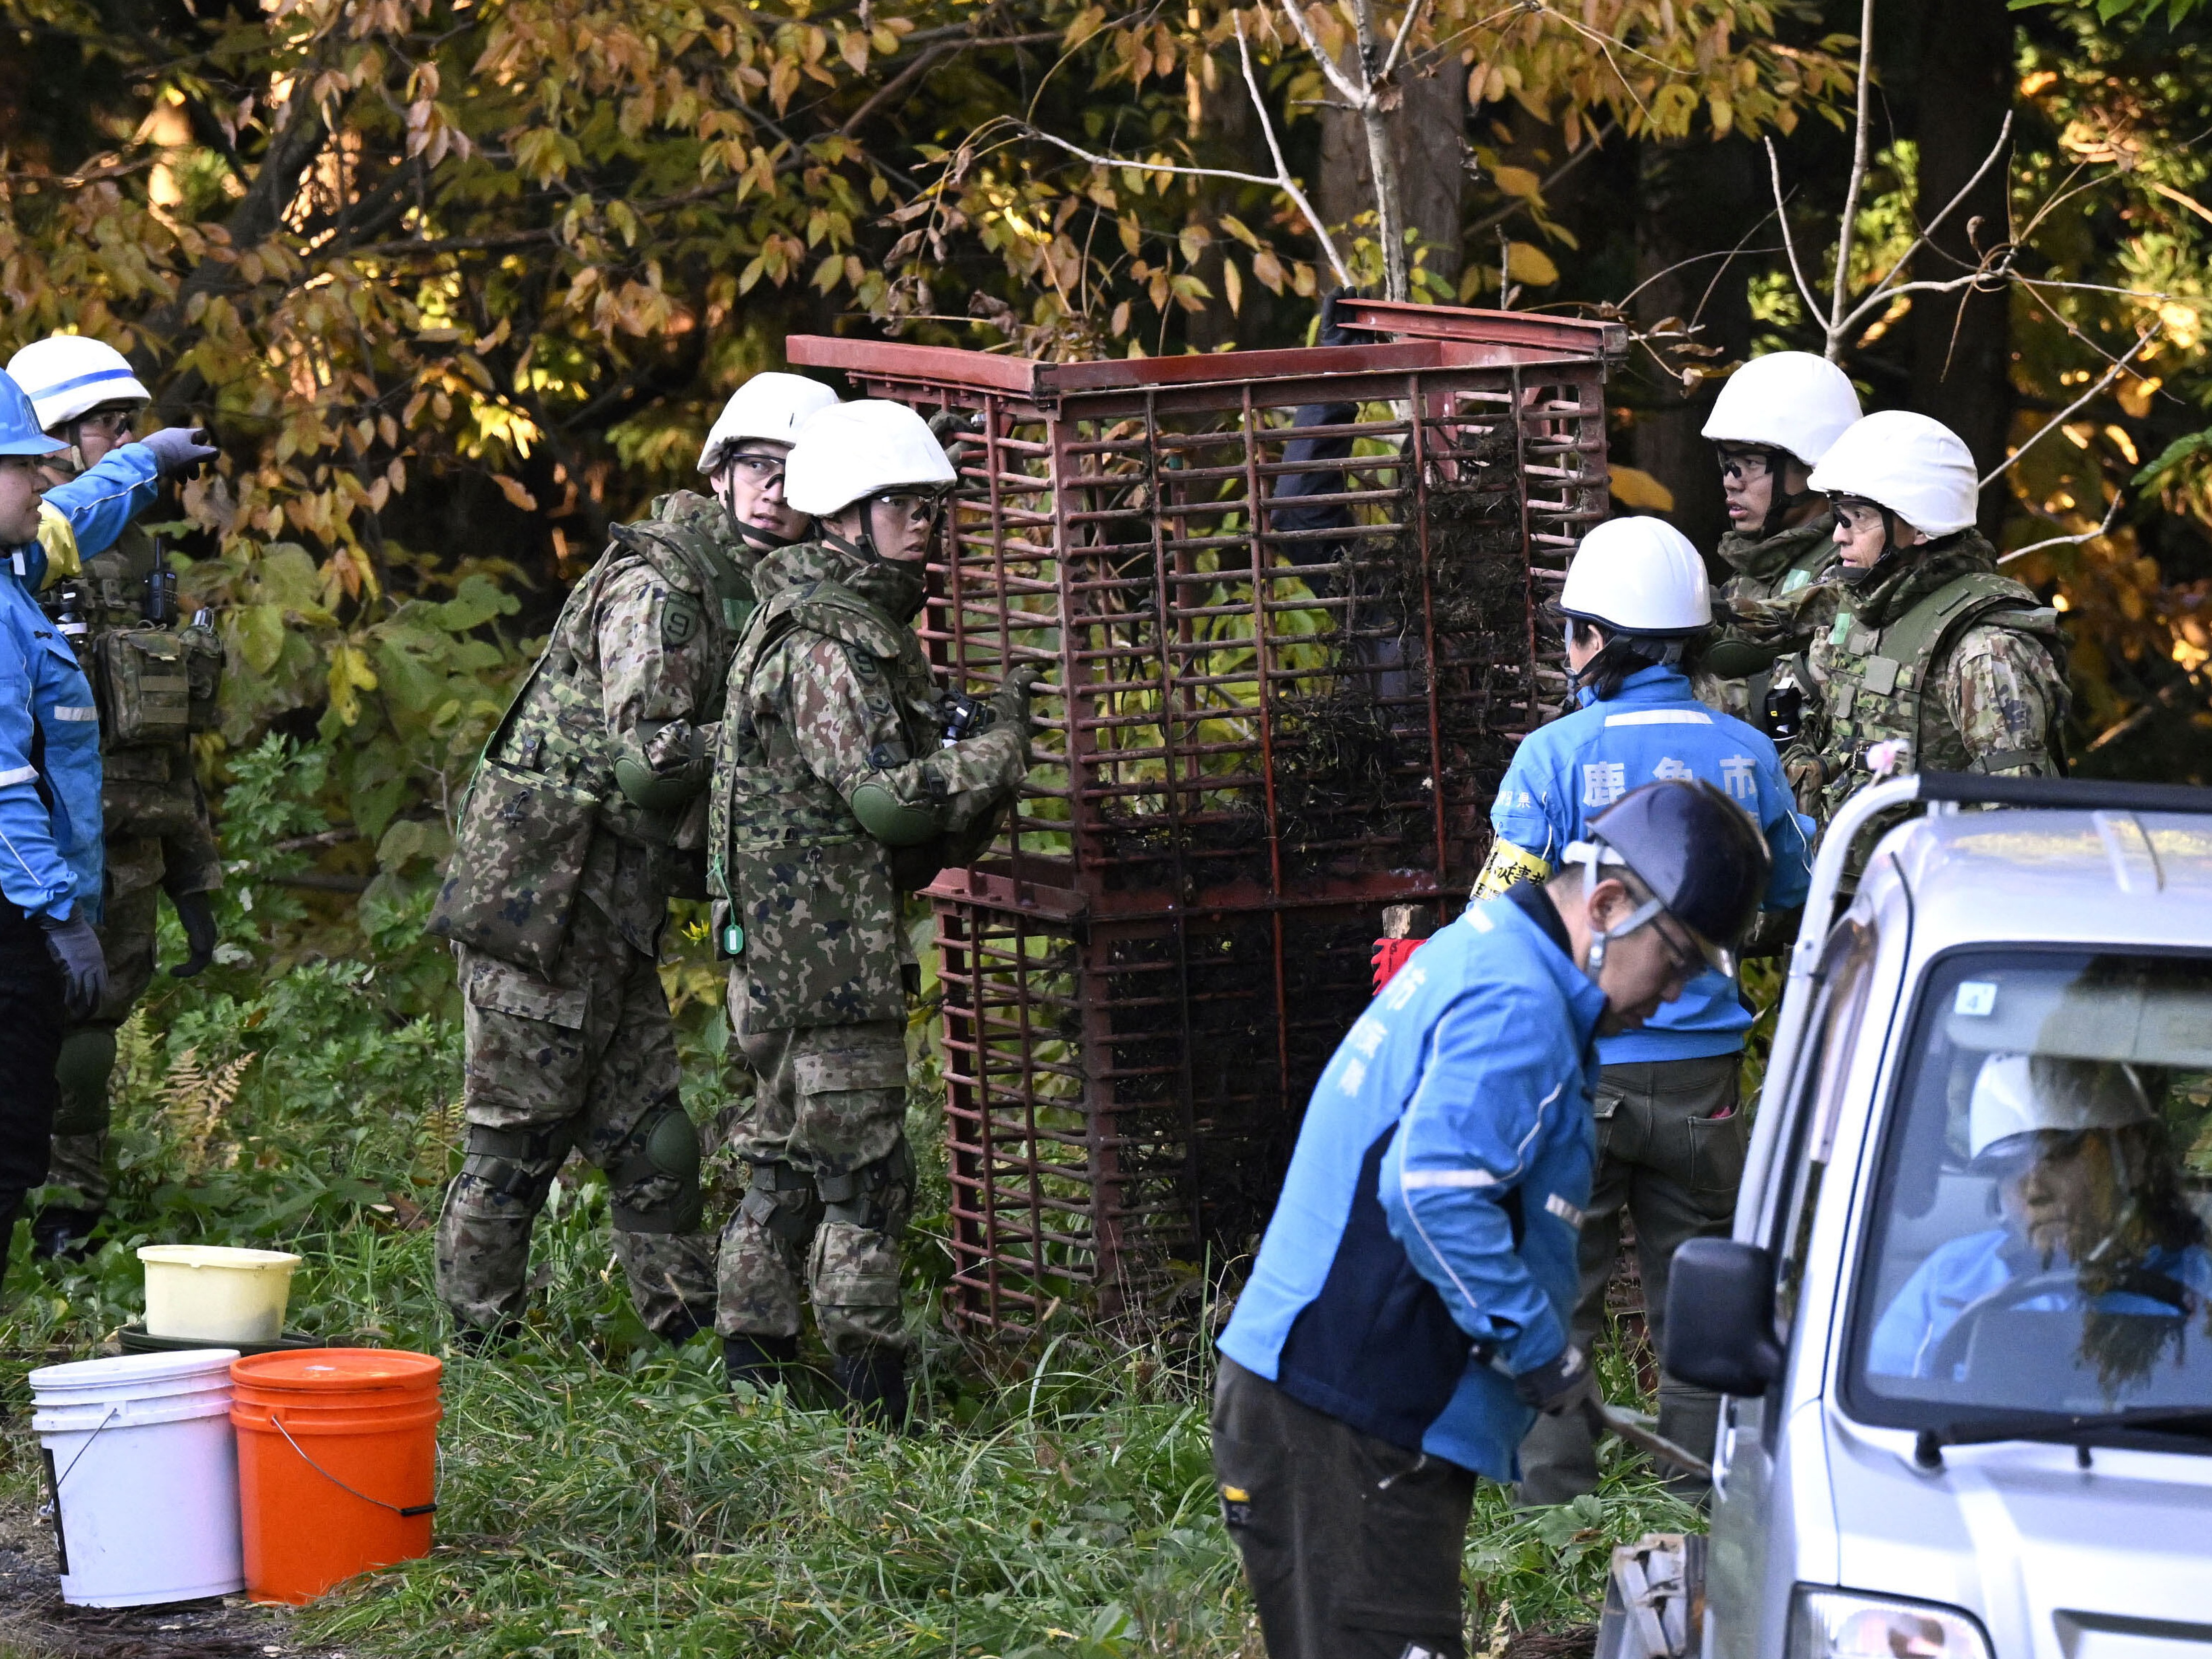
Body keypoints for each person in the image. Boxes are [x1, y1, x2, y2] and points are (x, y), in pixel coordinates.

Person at [1213, 779, 1770, 1659]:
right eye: (1673, 962)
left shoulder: (1491, 951)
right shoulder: (1518, 1000)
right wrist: (1537, 1346)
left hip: (1336, 1403)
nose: (1670, 997)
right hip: (1348, 1414)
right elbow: (1433, 1191)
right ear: (1609, 903)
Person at [426, 369, 836, 1351]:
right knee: (515, 1143)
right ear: (723, 472)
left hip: (611, 902)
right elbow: (648, 762)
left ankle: (685, 1339)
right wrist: (773, 736)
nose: (773, 490)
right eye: (757, 467)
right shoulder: (668, 583)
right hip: (546, 895)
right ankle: (476, 1355)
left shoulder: (754, 585)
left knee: (653, 1138)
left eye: (795, 473)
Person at [1465, 516, 1814, 1505]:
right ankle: (1698, 1495)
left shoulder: (1549, 755)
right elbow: (1787, 898)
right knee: (1698, 1294)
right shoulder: (1748, 753)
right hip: (1704, 1081)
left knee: (1556, 1285)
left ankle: (1553, 1503)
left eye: (1574, 630)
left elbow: (1499, 913)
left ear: (1604, 640)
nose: (1566, 650)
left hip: (1582, 1073)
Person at [708, 399, 1038, 1425]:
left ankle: (757, 1382)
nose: (922, 526)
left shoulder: (824, 620)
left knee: (782, 1159)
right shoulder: (830, 644)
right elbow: (885, 805)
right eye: (902, 507)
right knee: (860, 1181)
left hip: (782, 947)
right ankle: (872, 1406)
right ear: (845, 515)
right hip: (823, 960)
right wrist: (996, 749)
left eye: (930, 508)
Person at [6, 334, 226, 1258]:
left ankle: (62, 1204)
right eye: (105, 424)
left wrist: (194, 873)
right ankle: (55, 1209)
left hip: (110, 844)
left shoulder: (76, 556)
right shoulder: (31, 568)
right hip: (32, 870)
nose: (122, 439)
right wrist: (52, 902)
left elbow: (162, 740)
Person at [1737, 410, 2069, 826]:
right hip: (1842, 876)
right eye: (1839, 516)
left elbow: (2018, 822)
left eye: (1858, 517)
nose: (1839, 534)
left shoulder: (1985, 649)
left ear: (1921, 528)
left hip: (1930, 883)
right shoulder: (1862, 611)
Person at [1870, 1053, 2212, 1380]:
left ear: (2135, 1155)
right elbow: (1885, 1411)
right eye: (2008, 1169)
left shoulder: (2203, 1284)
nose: (2034, 1189)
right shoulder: (1949, 1278)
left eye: (2058, 1156)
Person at [0, 367, 110, 1270]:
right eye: (22, 465)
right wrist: (58, 911)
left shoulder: (12, 578)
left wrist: (145, 459)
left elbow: (89, 508)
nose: (44, 481)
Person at [1693, 351, 1862, 733]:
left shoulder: (1852, 562)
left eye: (1752, 463)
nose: (1731, 480)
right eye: (1728, 463)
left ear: (1814, 466)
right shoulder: (1760, 565)